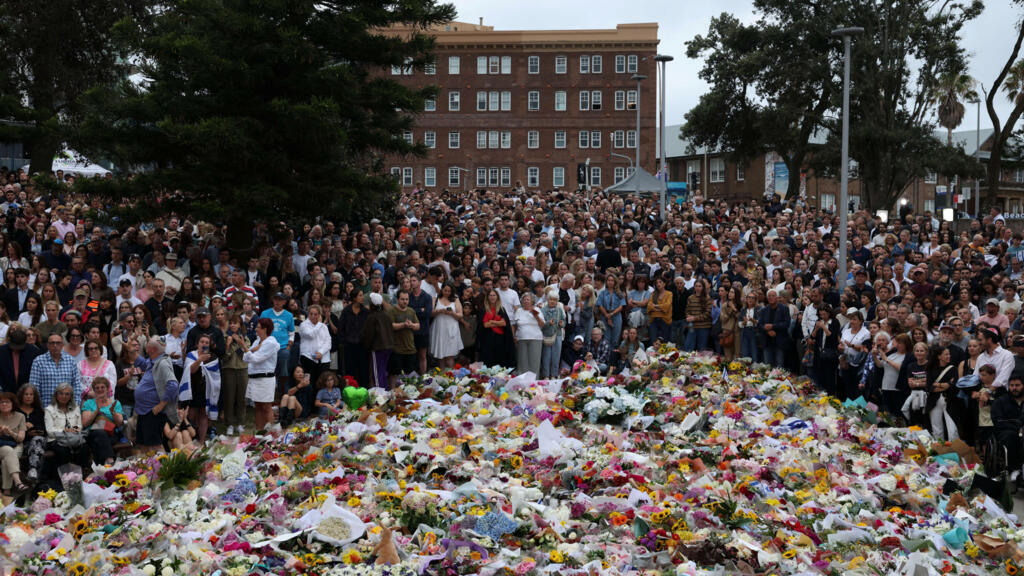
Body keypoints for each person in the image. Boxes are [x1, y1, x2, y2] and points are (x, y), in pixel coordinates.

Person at [134, 338, 179, 451]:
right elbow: (143, 363)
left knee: (155, 445)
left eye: (148, 344)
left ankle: (163, 463)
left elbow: (173, 385)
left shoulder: (162, 364)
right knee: (144, 444)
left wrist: (161, 405)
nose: (146, 344)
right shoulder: (152, 361)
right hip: (144, 410)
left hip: (153, 410)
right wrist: (132, 351)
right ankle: (147, 463)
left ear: (152, 349)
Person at [243, 317, 280, 431]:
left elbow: (256, 359)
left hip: (265, 378)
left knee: (266, 406)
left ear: (265, 329)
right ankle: (260, 432)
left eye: (258, 327)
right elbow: (245, 358)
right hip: (254, 378)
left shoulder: (271, 342)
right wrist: (252, 350)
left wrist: (245, 347)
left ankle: (272, 434)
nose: (256, 329)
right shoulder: (257, 341)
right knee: (258, 406)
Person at [181, 333, 218, 443]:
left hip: (206, 390)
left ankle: (201, 441)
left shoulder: (213, 357)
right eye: (202, 342)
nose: (204, 344)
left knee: (203, 414)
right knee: (191, 414)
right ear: (197, 344)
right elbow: (191, 370)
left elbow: (216, 376)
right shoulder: (191, 355)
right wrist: (199, 360)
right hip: (192, 389)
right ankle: (190, 441)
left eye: (207, 342)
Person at [29, 333, 82, 407]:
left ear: (62, 345)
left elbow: (76, 385)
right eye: (52, 343)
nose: (55, 346)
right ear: (47, 345)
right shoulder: (38, 361)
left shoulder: (71, 361)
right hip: (46, 407)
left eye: (58, 343)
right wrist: (39, 407)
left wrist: (75, 405)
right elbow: (34, 387)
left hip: (67, 408)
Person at [44, 382, 88, 471]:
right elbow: (50, 431)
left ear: (71, 396)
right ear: (56, 395)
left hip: (73, 437)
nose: (64, 396)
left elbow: (79, 426)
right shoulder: (49, 409)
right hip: (55, 439)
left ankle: (80, 474)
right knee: (63, 450)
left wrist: (72, 429)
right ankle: (65, 475)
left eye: (67, 394)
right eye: (61, 393)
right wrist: (65, 430)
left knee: (84, 447)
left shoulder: (76, 408)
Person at [81, 377, 123, 465]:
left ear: (107, 389)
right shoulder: (88, 403)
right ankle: (109, 461)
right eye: (97, 388)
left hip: (111, 434)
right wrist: (97, 410)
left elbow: (119, 424)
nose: (100, 389)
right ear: (94, 390)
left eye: (102, 387)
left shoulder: (115, 403)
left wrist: (113, 413)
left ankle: (100, 466)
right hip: (93, 434)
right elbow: (85, 424)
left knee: (98, 442)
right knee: (100, 434)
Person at [260, 292, 294, 395]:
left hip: (283, 347)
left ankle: (282, 392)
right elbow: (260, 330)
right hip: (268, 347)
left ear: (284, 302)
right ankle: (267, 393)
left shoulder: (289, 315)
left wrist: (288, 346)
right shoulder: (265, 313)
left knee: (284, 368)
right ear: (273, 300)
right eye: (276, 299)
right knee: (268, 370)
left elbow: (291, 333)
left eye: (280, 300)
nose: (277, 302)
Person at [221, 314, 250, 435]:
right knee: (229, 397)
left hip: (242, 369)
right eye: (231, 323)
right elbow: (224, 357)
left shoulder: (244, 337)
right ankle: (230, 424)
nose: (233, 325)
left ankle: (241, 423)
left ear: (240, 325)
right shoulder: (225, 337)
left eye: (235, 323)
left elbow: (247, 353)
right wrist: (228, 344)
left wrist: (239, 342)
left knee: (241, 398)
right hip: (229, 369)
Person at [992, 374, 1024, 479]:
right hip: (1006, 432)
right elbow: (998, 421)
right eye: (1011, 385)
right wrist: (1018, 428)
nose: (1014, 388)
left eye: (1017, 385)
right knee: (1011, 437)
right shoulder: (1000, 401)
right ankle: (1014, 469)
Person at [362, 293, 394, 389]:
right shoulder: (386, 315)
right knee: (383, 371)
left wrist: (367, 346)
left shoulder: (372, 317)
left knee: (377, 373)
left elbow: (369, 335)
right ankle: (385, 390)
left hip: (378, 348)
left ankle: (379, 393)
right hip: (388, 347)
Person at [388, 290, 420, 386]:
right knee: (394, 373)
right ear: (398, 299)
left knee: (410, 374)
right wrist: (403, 324)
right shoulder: (392, 311)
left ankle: (408, 392)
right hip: (396, 349)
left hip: (410, 348)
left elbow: (418, 326)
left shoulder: (411, 311)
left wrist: (411, 325)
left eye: (406, 299)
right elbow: (390, 326)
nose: (405, 301)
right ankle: (392, 391)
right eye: (402, 299)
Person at [15, 384, 45, 483]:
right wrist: (25, 430)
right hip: (20, 443)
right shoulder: (15, 411)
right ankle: (33, 476)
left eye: (31, 394)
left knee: (37, 440)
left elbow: (43, 431)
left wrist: (33, 428)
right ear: (21, 396)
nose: (28, 397)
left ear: (34, 397)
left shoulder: (39, 411)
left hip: (37, 443)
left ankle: (33, 470)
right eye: (26, 394)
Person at [927, 346, 958, 441]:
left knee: (952, 429)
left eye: (949, 354)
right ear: (939, 356)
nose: (949, 356)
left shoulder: (953, 369)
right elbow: (929, 388)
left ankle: (954, 448)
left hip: (950, 401)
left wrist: (939, 385)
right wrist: (945, 385)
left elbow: (954, 385)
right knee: (936, 428)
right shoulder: (931, 369)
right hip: (934, 401)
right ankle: (939, 447)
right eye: (946, 354)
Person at [338, 288, 369, 386]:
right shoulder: (346, 311)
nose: (362, 297)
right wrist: (344, 341)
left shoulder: (365, 312)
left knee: (363, 370)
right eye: (360, 295)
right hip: (349, 345)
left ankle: (364, 389)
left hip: (362, 346)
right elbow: (341, 327)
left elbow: (369, 328)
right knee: (350, 369)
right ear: (354, 298)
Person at [429, 283, 463, 369]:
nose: (447, 292)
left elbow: (460, 315)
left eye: (449, 291)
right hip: (439, 328)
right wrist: (439, 311)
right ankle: (441, 374)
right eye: (445, 290)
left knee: (450, 355)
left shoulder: (455, 299)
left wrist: (452, 313)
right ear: (442, 289)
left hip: (451, 328)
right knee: (441, 355)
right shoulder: (435, 298)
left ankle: (451, 374)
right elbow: (430, 313)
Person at [0, 392, 28, 497]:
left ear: (13, 404)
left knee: (6, 459)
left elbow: (21, 439)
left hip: (16, 445)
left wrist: (10, 432)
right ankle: (18, 482)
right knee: (8, 450)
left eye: (7, 402)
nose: (4, 404)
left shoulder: (20, 416)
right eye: (1, 402)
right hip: (1, 447)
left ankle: (6, 490)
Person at [838, 311, 871, 401]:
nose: (852, 321)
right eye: (851, 319)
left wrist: (852, 346)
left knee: (856, 390)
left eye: (854, 319)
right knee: (847, 388)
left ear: (861, 321)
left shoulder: (866, 333)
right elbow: (841, 345)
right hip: (845, 362)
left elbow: (864, 349)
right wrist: (840, 348)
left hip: (858, 365)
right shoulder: (846, 331)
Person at [297, 304, 331, 388]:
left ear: (319, 315)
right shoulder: (304, 325)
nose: (313, 316)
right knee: (309, 383)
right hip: (308, 357)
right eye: (311, 314)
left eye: (315, 314)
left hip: (323, 358)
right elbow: (311, 335)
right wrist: (319, 324)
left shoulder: (324, 327)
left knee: (322, 383)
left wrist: (321, 352)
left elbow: (328, 342)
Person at [478, 289, 514, 369]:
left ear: (497, 297)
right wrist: (498, 322)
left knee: (500, 360)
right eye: (490, 295)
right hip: (487, 339)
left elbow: (504, 323)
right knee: (488, 360)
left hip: (500, 339)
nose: (492, 297)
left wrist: (492, 321)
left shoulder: (501, 309)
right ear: (487, 297)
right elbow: (485, 325)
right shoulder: (484, 310)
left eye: (494, 295)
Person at [511, 292, 545, 376]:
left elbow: (542, 325)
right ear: (522, 301)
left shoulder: (537, 310)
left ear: (532, 301)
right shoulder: (519, 311)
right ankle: (522, 380)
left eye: (528, 299)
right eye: (524, 299)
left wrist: (536, 316)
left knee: (534, 361)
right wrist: (514, 336)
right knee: (522, 361)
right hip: (521, 338)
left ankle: (534, 380)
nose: (526, 301)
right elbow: (514, 325)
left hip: (535, 338)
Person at [0, 325, 41, 394]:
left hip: (26, 391)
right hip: (5, 390)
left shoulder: (33, 351)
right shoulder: (2, 351)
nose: (17, 349)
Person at [812, 304, 841, 397]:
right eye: (821, 314)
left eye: (824, 314)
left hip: (830, 354)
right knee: (820, 377)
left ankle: (830, 396)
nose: (822, 316)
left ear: (829, 313)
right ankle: (821, 395)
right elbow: (813, 336)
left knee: (830, 378)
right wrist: (816, 329)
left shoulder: (835, 322)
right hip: (819, 353)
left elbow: (833, 337)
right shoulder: (819, 321)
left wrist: (824, 327)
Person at [759, 290, 792, 368]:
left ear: (777, 297)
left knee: (779, 366)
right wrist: (767, 331)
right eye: (769, 296)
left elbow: (787, 323)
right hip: (767, 342)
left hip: (779, 341)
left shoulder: (784, 308)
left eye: (773, 296)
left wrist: (773, 326)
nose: (771, 297)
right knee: (767, 366)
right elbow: (760, 324)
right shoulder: (764, 310)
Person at [539, 289, 566, 379]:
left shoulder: (560, 310)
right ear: (547, 299)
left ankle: (554, 375)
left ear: (557, 301)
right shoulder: (543, 310)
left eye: (554, 300)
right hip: (546, 335)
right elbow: (540, 324)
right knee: (546, 356)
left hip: (557, 334)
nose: (552, 301)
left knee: (556, 356)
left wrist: (562, 324)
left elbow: (564, 321)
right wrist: (548, 323)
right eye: (551, 299)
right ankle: (546, 375)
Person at [646, 274, 673, 345]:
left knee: (664, 342)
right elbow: (649, 306)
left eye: (660, 282)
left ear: (664, 284)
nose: (658, 284)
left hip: (665, 320)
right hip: (654, 320)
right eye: (657, 283)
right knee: (653, 341)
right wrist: (660, 309)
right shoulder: (653, 294)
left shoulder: (669, 294)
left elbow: (667, 306)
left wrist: (656, 306)